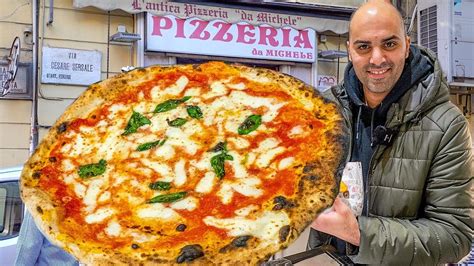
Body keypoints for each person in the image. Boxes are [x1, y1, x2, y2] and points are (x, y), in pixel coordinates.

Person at [309, 0, 473, 265]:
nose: (377, 58)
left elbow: (455, 236)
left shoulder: (446, 125)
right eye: (364, 46)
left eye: (389, 44)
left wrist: (358, 233)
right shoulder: (323, 111)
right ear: (350, 50)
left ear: (406, 46)